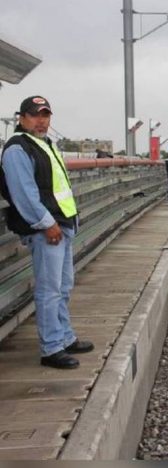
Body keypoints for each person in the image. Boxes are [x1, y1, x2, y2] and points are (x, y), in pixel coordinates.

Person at [0, 96, 93, 369]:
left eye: (45, 115)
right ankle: (51, 348)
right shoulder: (17, 148)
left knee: (63, 286)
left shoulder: (45, 144)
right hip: (47, 229)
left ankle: (64, 337)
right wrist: (46, 223)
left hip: (62, 225)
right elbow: (24, 193)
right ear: (22, 117)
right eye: (35, 115)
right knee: (49, 289)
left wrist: (67, 221)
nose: (41, 120)